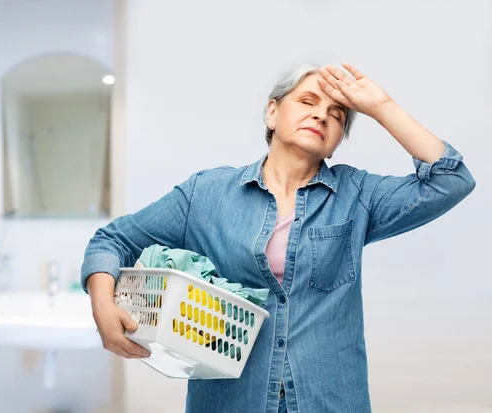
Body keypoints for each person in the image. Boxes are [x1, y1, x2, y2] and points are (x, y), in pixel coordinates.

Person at [81, 62, 476, 413]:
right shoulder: (206, 193)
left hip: (330, 400)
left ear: (338, 138)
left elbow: (451, 180)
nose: (320, 115)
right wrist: (102, 304)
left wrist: (381, 107)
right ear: (272, 112)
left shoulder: (358, 195)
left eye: (336, 115)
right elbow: (111, 240)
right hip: (231, 401)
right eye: (307, 101)